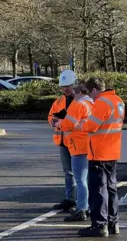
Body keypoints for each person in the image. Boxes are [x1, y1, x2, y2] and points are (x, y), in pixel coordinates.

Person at [75, 77, 125, 237]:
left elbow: (92, 125)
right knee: (111, 188)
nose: (90, 97)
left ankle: (99, 225)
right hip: (112, 151)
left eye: (90, 93)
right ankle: (113, 223)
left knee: (97, 190)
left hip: (99, 152)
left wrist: (80, 124)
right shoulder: (117, 101)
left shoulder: (102, 102)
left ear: (95, 90)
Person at [55, 80, 93, 222]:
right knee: (88, 179)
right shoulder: (92, 103)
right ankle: (88, 207)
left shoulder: (78, 104)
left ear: (79, 92)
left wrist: (58, 123)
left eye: (74, 93)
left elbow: (68, 124)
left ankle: (81, 209)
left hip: (78, 145)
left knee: (80, 179)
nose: (73, 95)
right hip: (91, 145)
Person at [48, 70, 77, 212]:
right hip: (63, 141)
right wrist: (54, 121)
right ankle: (70, 199)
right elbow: (50, 117)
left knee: (80, 173)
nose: (65, 89)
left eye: (68, 86)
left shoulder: (81, 100)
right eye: (63, 86)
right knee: (68, 172)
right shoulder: (59, 101)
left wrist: (62, 121)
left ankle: (81, 201)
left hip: (78, 142)